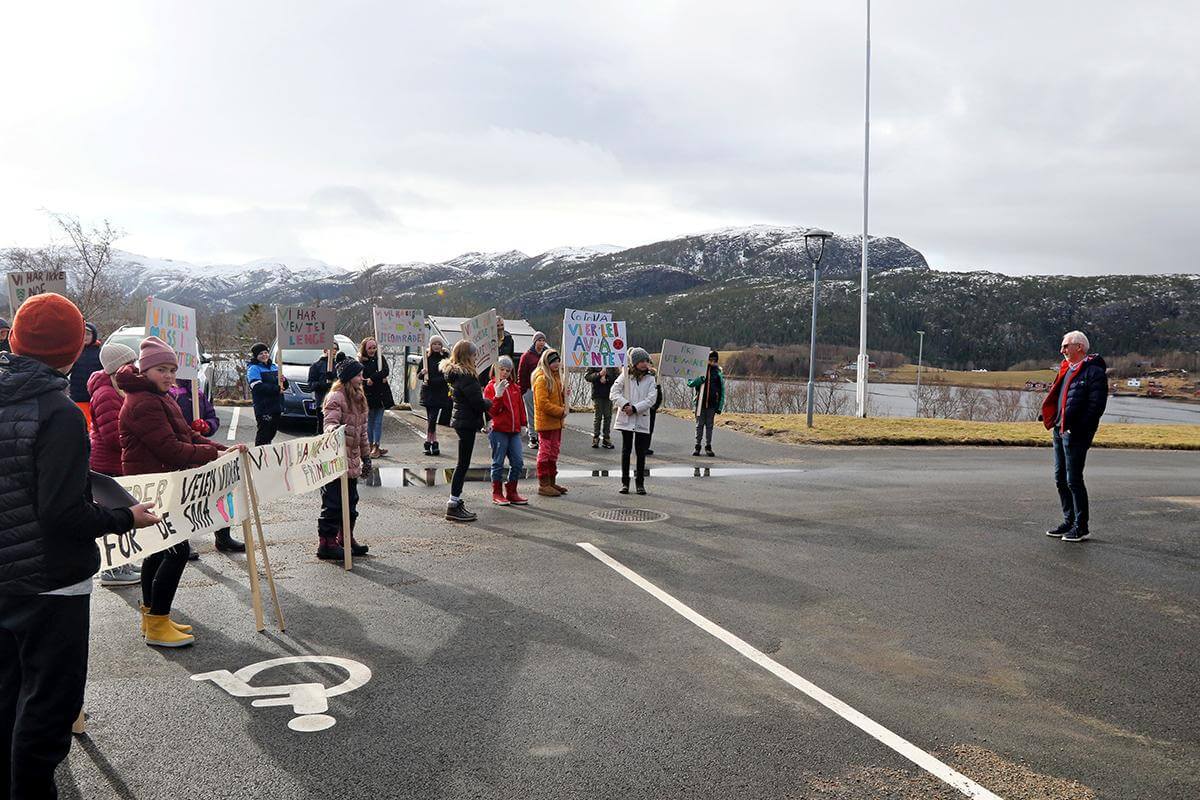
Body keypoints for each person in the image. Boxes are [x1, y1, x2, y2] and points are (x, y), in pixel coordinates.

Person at [0, 293, 159, 800]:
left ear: (14, 341)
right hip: (52, 583)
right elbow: (63, 514)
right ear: (74, 350)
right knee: (50, 706)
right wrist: (124, 517)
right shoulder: (60, 413)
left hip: (5, 576)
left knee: (8, 696)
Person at [119, 336, 233, 647]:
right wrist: (214, 456)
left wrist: (223, 448)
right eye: (161, 369)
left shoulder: (159, 396)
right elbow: (170, 449)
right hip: (152, 487)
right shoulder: (143, 402)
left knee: (157, 552)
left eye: (172, 369)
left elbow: (186, 437)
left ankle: (153, 618)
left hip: (163, 485)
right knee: (177, 550)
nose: (169, 375)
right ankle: (157, 623)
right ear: (145, 371)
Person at [1041, 331, 1108, 543]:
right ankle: (1068, 521)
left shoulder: (1094, 372)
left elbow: (1096, 407)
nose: (1062, 350)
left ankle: (1081, 527)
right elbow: (1060, 397)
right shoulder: (1066, 369)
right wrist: (1050, 415)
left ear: (1079, 347)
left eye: (1065, 346)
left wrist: (1077, 428)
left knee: (1074, 480)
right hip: (1059, 431)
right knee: (1060, 478)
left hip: (1076, 434)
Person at [89, 341, 143, 587]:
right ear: (116, 367)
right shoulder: (106, 394)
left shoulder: (116, 390)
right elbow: (113, 436)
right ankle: (111, 570)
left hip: (115, 463)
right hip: (107, 465)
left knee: (122, 515)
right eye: (130, 364)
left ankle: (122, 561)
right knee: (115, 516)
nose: (134, 368)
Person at [170, 377, 245, 554]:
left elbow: (212, 417)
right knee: (185, 498)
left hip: (202, 449)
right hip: (182, 453)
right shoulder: (167, 395)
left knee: (219, 493)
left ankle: (223, 536)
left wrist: (206, 426)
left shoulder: (198, 393)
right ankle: (180, 542)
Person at [317, 360, 371, 560]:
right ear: (349, 377)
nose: (362, 378)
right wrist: (336, 431)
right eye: (358, 375)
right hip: (334, 460)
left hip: (352, 459)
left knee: (351, 502)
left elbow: (363, 432)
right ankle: (326, 544)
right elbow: (329, 424)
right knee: (333, 503)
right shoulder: (336, 397)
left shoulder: (359, 398)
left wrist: (367, 457)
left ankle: (346, 537)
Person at [442, 340, 491, 522]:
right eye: (474, 355)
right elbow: (477, 403)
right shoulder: (466, 376)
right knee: (462, 464)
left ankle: (455, 501)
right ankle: (453, 504)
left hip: (462, 421)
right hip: (465, 422)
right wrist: (492, 400)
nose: (476, 358)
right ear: (467, 356)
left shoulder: (456, 374)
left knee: (462, 463)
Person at [612, 347, 658, 495]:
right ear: (635, 362)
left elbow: (651, 399)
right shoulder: (625, 376)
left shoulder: (651, 378)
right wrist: (625, 405)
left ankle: (640, 483)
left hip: (642, 418)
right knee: (626, 451)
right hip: (626, 418)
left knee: (640, 452)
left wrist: (636, 408)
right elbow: (614, 392)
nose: (645, 364)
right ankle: (625, 482)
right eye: (642, 361)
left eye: (646, 361)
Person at [483, 355, 528, 506]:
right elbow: (492, 412)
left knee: (518, 462)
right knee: (498, 462)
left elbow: (521, 408)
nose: (505, 373)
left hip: (514, 430)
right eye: (502, 369)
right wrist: (498, 395)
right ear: (495, 369)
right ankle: (497, 492)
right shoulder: (491, 387)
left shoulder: (515, 387)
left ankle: (512, 490)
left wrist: (523, 424)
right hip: (498, 430)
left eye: (508, 370)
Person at [532, 349, 570, 497]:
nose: (556, 364)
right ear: (547, 362)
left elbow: (557, 398)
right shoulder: (542, 378)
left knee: (554, 451)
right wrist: (560, 411)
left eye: (557, 361)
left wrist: (565, 394)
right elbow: (542, 403)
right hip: (546, 422)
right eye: (553, 361)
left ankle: (552, 481)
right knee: (545, 452)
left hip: (556, 422)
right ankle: (544, 484)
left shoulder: (557, 377)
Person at [688, 351, 725, 457]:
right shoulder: (699, 370)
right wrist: (699, 380)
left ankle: (708, 446)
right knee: (699, 425)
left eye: (715, 360)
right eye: (710, 359)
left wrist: (720, 406)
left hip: (712, 404)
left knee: (709, 426)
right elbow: (690, 383)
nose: (712, 362)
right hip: (700, 403)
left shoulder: (718, 372)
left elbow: (722, 390)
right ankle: (697, 446)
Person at [247, 342, 285, 446]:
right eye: (261, 354)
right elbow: (257, 387)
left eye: (266, 352)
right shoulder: (253, 369)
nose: (264, 355)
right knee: (263, 433)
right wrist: (276, 389)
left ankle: (266, 453)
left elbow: (284, 385)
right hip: (263, 407)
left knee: (271, 433)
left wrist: (284, 381)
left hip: (276, 405)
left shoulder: (274, 367)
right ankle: (258, 454)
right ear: (256, 356)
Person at [359, 337, 392, 459]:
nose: (372, 350)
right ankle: (370, 444)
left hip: (381, 395)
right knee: (369, 421)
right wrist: (374, 378)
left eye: (374, 347)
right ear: (365, 349)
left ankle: (376, 445)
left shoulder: (380, 359)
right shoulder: (361, 362)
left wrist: (373, 378)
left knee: (378, 421)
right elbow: (361, 378)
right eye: (370, 348)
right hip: (368, 395)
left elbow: (386, 371)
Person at [418, 336, 450, 456]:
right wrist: (423, 373)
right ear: (430, 345)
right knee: (431, 418)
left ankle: (428, 441)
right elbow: (419, 376)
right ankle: (433, 442)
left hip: (440, 392)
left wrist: (432, 380)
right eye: (434, 344)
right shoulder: (426, 358)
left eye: (439, 344)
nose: (437, 346)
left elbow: (447, 376)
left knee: (433, 418)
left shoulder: (445, 358)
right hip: (428, 392)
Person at [68, 322, 102, 430]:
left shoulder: (99, 352)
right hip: (78, 395)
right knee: (81, 424)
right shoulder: (75, 351)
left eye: (88, 334)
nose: (85, 337)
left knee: (94, 424)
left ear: (94, 336)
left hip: (95, 395)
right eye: (83, 334)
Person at [518, 331, 547, 449]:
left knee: (542, 414)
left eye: (543, 340)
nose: (541, 343)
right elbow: (521, 374)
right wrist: (523, 390)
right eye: (539, 340)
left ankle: (542, 436)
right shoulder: (526, 356)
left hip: (544, 389)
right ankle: (533, 436)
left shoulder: (547, 355)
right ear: (534, 342)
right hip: (530, 389)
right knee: (531, 413)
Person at [307, 347, 346, 432]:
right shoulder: (316, 366)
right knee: (322, 427)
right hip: (321, 401)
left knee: (334, 428)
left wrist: (333, 381)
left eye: (336, 349)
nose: (334, 351)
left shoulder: (339, 366)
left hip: (336, 402)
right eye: (332, 348)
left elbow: (344, 382)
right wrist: (323, 384)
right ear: (325, 350)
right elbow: (311, 385)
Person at [584, 365, 619, 448]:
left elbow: (617, 377)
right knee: (598, 417)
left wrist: (607, 379)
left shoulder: (612, 362)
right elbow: (587, 376)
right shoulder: (593, 361)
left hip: (609, 394)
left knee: (608, 416)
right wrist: (599, 375)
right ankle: (596, 438)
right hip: (597, 393)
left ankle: (606, 438)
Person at [481, 316, 517, 384]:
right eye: (497, 325)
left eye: (502, 325)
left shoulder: (509, 340)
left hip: (504, 375)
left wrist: (512, 376)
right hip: (490, 375)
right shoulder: (487, 340)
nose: (500, 327)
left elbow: (511, 357)